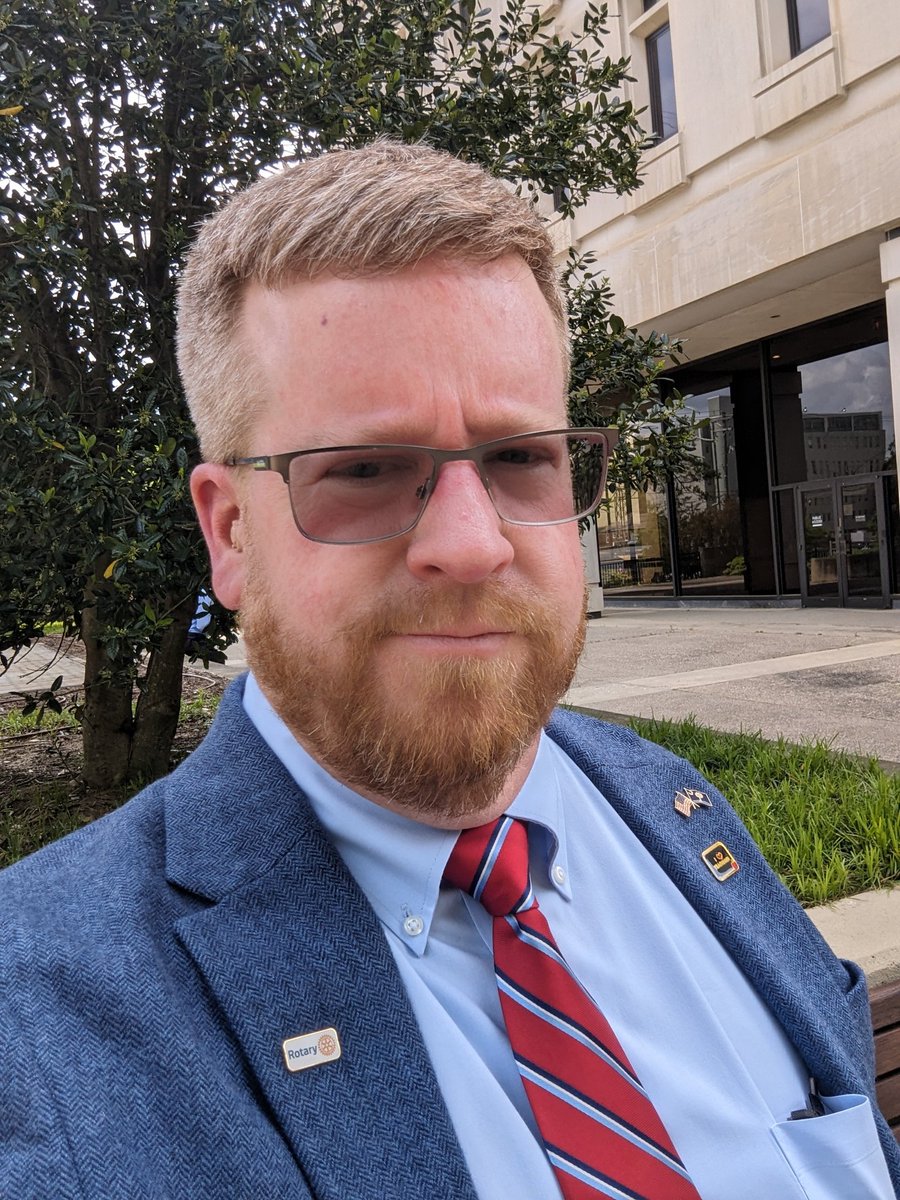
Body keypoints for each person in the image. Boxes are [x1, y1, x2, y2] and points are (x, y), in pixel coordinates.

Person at [1, 141, 897, 1200]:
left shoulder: (669, 804)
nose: (472, 545)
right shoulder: (41, 1021)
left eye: (521, 457)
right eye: (368, 471)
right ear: (231, 532)